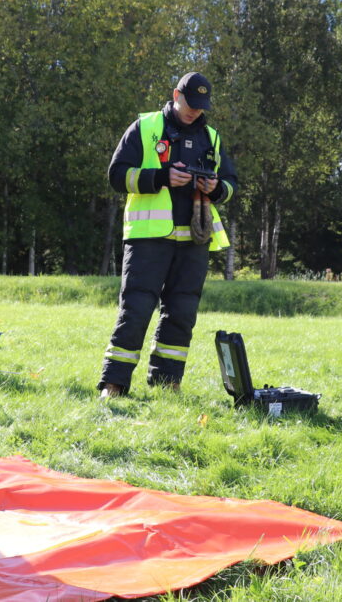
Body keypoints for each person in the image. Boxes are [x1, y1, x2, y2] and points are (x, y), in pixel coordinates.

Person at [98, 72, 238, 397]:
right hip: (148, 238)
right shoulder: (145, 127)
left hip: (193, 241)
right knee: (136, 310)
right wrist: (160, 177)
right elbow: (117, 175)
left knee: (182, 313)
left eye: (201, 107)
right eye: (190, 104)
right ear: (176, 95)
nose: (195, 112)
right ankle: (114, 383)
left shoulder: (212, 138)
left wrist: (216, 187)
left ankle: (167, 383)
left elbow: (231, 184)